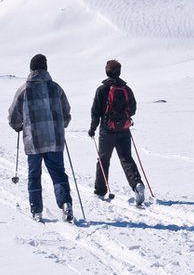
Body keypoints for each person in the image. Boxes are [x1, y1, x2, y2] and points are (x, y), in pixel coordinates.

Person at [8, 54, 73, 222]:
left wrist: (19, 127)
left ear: (31, 69)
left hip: (33, 140)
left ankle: (37, 211)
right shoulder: (56, 88)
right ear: (46, 68)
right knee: (58, 173)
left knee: (34, 175)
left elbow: (13, 116)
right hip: (55, 140)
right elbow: (66, 112)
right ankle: (66, 203)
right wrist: (61, 125)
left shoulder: (24, 89)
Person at [88, 59, 145, 206]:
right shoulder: (126, 89)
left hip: (106, 131)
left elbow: (95, 111)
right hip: (124, 131)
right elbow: (133, 109)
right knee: (126, 158)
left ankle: (100, 191)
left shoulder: (102, 89)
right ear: (119, 72)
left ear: (107, 71)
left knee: (103, 160)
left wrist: (93, 128)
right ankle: (137, 184)